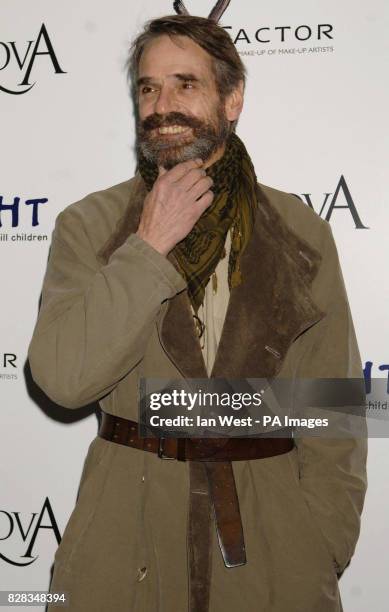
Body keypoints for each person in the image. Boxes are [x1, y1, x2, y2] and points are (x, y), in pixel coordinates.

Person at [28, 12, 367, 612]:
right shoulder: (88, 226)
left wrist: (318, 546)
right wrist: (147, 248)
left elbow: (332, 413)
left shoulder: (300, 233)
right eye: (148, 87)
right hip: (123, 534)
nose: (163, 105)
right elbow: (62, 380)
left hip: (271, 544)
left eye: (186, 84)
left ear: (231, 99)